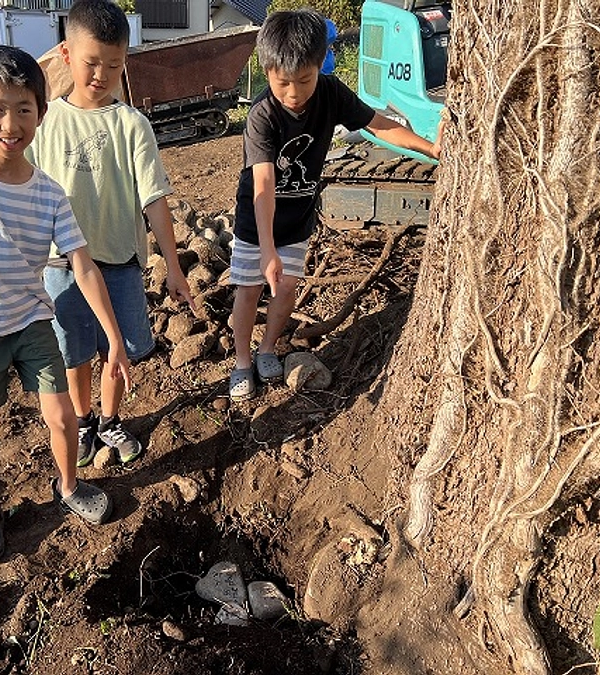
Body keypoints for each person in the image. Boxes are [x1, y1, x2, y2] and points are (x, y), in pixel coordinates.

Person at [0, 45, 132, 564]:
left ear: (41, 112)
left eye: (24, 110)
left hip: (32, 319)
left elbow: (82, 264)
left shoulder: (50, 194)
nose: (11, 124)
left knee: (62, 416)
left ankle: (68, 484)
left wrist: (116, 339)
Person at [229, 9, 443, 400]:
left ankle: (267, 349)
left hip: (296, 219)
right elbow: (263, 180)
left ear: (319, 64)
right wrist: (266, 249)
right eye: (283, 84)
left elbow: (378, 124)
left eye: (304, 81)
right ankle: (242, 360)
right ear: (267, 70)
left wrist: (431, 148)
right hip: (255, 221)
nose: (294, 94)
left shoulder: (331, 93)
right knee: (248, 291)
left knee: (287, 289)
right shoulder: (262, 115)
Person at [28, 0, 194, 468]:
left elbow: (154, 200)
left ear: (125, 64)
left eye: (114, 65)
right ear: (65, 54)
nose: (101, 74)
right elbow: (29, 197)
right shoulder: (43, 124)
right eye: (91, 63)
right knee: (73, 353)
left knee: (115, 352)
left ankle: (110, 419)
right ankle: (83, 421)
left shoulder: (132, 124)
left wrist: (175, 266)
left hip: (120, 262)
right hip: (63, 267)